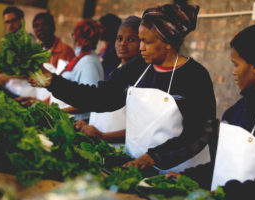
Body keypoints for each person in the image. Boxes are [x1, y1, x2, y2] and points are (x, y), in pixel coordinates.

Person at [29, 3, 216, 174]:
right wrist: (53, 82)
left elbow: (200, 131)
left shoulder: (194, 76)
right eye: (140, 40)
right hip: (135, 166)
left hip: (178, 172)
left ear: (169, 42)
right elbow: (100, 97)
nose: (141, 47)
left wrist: (156, 157)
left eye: (147, 42)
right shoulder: (138, 67)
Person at [166, 22, 255, 200]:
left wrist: (227, 193)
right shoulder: (236, 112)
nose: (233, 72)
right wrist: (188, 177)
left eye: (236, 64)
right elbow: (222, 164)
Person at [74, 16, 141, 145]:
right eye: (119, 39)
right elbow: (100, 101)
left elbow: (140, 129)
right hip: (100, 146)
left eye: (131, 39)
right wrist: (89, 126)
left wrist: (102, 135)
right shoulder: (117, 70)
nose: (123, 43)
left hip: (119, 151)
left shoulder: (142, 78)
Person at [16, 12, 75, 105]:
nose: (40, 28)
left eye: (44, 24)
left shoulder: (66, 51)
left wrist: (44, 103)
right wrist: (34, 99)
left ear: (53, 27)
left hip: (58, 106)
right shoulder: (36, 51)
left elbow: (68, 86)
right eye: (36, 26)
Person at [0, 6, 36, 98]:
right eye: (7, 22)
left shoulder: (29, 41)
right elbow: (1, 74)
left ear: (21, 21)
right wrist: (1, 79)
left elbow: (32, 73)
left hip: (24, 91)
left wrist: (9, 77)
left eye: (13, 20)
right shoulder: (7, 42)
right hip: (9, 88)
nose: (10, 25)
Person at [98, 13, 122, 80]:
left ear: (109, 28)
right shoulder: (104, 49)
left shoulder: (115, 51)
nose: (98, 30)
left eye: (101, 27)